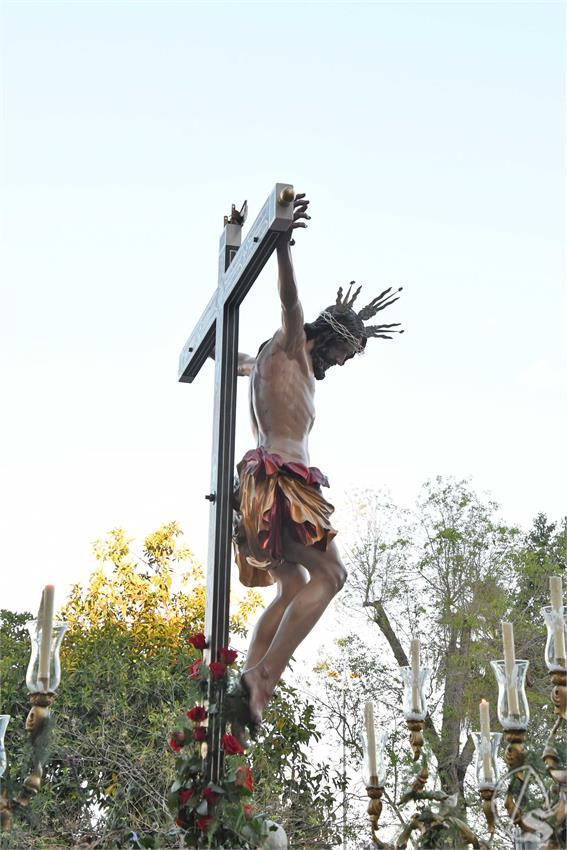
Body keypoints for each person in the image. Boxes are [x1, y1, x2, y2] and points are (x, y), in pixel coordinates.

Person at [229, 193, 403, 738]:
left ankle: (243, 687)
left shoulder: (261, 361)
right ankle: (263, 675)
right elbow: (291, 304)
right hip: (284, 483)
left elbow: (223, 350)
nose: (342, 363)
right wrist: (280, 242)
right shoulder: (293, 345)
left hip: (252, 489)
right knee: (332, 575)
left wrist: (233, 248)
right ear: (330, 338)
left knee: (291, 585)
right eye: (345, 353)